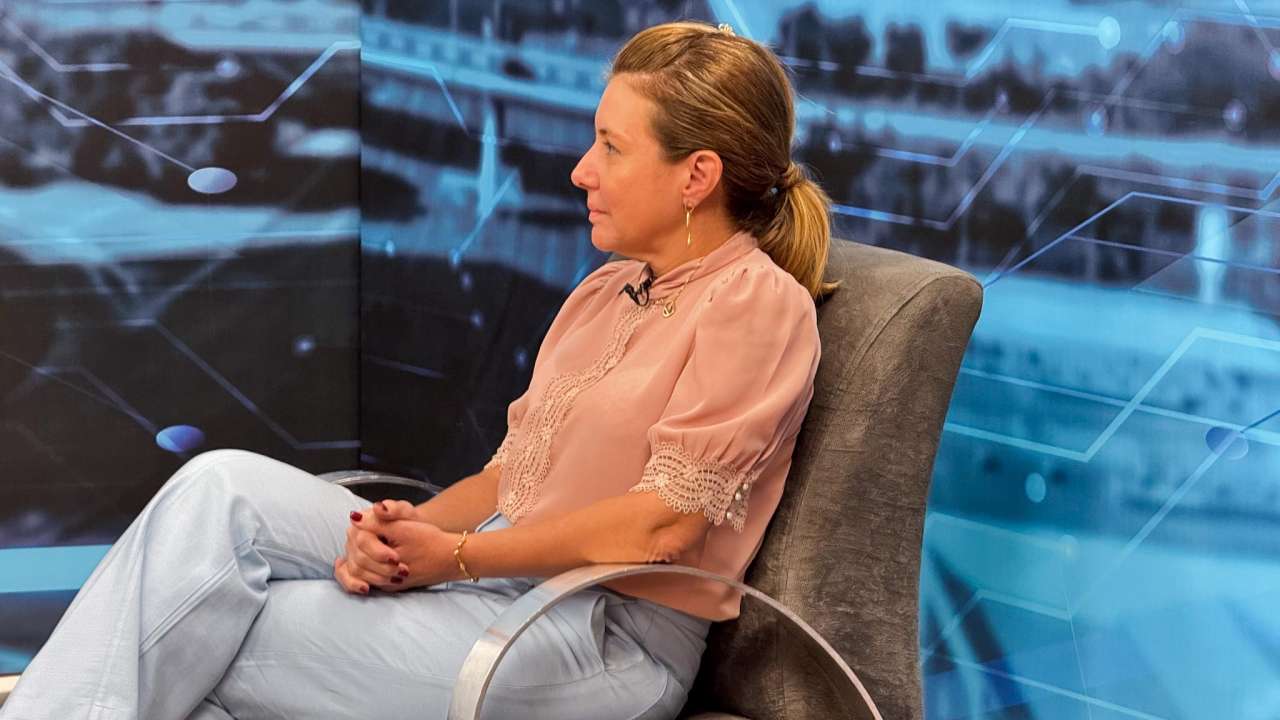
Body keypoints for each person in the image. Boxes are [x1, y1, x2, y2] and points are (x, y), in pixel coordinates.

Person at [1, 20, 835, 720]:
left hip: (606, 640)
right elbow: (510, 477)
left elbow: (662, 529)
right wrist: (402, 540)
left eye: (611, 147)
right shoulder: (607, 292)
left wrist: (455, 558)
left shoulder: (756, 307)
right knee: (219, 489)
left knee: (216, 625)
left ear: (697, 175)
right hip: (503, 581)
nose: (581, 169)